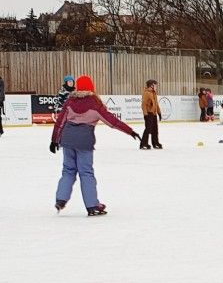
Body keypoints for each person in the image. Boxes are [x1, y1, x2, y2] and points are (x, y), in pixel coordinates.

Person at [50, 74, 141, 216]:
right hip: (84, 142)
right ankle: (92, 205)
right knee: (86, 173)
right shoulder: (94, 103)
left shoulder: (70, 101)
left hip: (67, 140)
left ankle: (60, 199)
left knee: (68, 170)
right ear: (91, 87)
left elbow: (60, 122)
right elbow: (112, 122)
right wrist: (130, 131)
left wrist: (54, 140)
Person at [140, 79, 163, 150]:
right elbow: (143, 104)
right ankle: (143, 144)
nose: (156, 86)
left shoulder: (154, 93)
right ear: (151, 85)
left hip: (154, 113)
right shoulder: (147, 93)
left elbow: (156, 104)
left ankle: (155, 143)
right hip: (149, 114)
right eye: (155, 85)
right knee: (148, 129)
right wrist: (145, 114)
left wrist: (159, 113)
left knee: (155, 130)